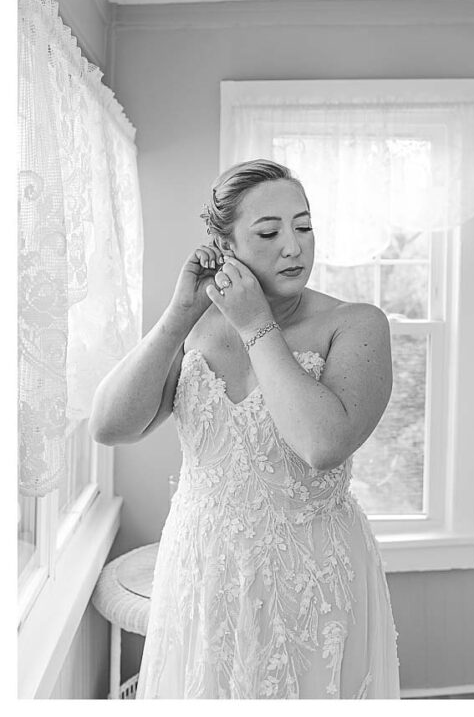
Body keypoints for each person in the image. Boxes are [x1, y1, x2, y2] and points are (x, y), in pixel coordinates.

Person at [90, 159, 400, 698]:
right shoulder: (195, 327)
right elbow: (109, 425)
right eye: (269, 231)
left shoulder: (356, 324)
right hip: (201, 566)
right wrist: (177, 315)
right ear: (224, 244)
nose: (293, 246)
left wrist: (256, 324)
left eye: (303, 227)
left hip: (312, 577)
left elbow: (322, 445)